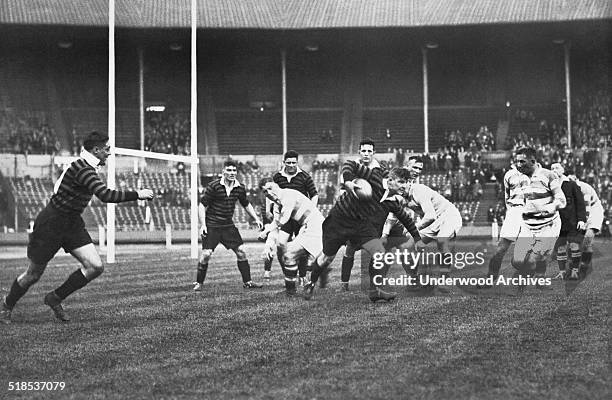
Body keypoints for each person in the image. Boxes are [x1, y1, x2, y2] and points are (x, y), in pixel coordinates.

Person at [1, 131, 154, 324]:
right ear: (96, 150)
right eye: (107, 149)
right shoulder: (83, 169)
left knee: (95, 267)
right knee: (33, 275)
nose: (109, 153)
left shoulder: (86, 166)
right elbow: (105, 195)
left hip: (71, 222)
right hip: (51, 224)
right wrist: (138, 194)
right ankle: (7, 305)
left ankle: (55, 298)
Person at [303, 138, 423, 302]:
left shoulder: (393, 200)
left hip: (360, 225)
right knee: (327, 258)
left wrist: (417, 239)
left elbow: (405, 218)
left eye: (406, 184)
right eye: (401, 183)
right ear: (391, 181)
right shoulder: (374, 176)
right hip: (339, 220)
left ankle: (374, 291)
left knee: (379, 253)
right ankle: (311, 282)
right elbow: (349, 165)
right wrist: (348, 182)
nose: (403, 187)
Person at [381, 180, 463, 293]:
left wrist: (414, 228)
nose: (400, 188)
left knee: (441, 240)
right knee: (407, 245)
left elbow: (430, 216)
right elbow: (392, 216)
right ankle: (417, 279)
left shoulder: (419, 189)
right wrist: (385, 234)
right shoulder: (401, 195)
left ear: (407, 182)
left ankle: (444, 279)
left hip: (447, 216)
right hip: (432, 222)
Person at [194, 160, 263, 291]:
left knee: (241, 251)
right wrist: (203, 225)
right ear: (223, 172)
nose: (232, 173)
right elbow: (202, 205)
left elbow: (246, 204)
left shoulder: (240, 187)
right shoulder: (214, 186)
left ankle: (248, 282)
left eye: (234, 171)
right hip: (212, 224)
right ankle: (199, 283)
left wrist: (256, 218)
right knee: (206, 254)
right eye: (229, 170)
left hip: (227, 225)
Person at [512, 147, 566, 291]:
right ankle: (524, 274)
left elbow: (561, 200)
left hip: (548, 225)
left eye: (522, 161)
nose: (518, 165)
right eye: (517, 162)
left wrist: (551, 207)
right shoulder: (520, 178)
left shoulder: (548, 175)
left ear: (533, 161)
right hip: (528, 225)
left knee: (532, 261)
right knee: (516, 261)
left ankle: (533, 279)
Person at [259, 180, 325, 296]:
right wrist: (265, 232)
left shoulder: (288, 195)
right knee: (291, 255)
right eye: (265, 191)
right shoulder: (276, 204)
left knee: (292, 255)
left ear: (277, 185)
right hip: (306, 227)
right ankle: (292, 290)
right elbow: (276, 221)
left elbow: (283, 220)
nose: (268, 192)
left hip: (315, 226)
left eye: (270, 188)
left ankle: (294, 288)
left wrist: (266, 231)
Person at [266, 150, 319, 282]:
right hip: (285, 218)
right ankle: (288, 275)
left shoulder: (305, 177)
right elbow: (270, 193)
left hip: (299, 218)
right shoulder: (277, 177)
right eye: (288, 162)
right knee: (280, 245)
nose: (291, 165)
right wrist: (269, 209)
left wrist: (311, 211)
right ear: (284, 163)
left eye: (293, 163)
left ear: (297, 162)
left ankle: (302, 276)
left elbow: (314, 195)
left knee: (300, 248)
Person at [478, 162, 530, 288]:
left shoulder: (534, 175)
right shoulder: (510, 175)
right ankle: (490, 279)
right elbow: (506, 195)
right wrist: (511, 211)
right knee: (501, 248)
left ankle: (523, 278)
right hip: (514, 212)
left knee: (523, 254)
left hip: (529, 214)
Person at [550, 163, 586, 280]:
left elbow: (580, 203)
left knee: (574, 245)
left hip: (572, 221)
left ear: (563, 170)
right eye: (552, 168)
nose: (554, 170)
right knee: (560, 247)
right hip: (558, 222)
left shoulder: (571, 184)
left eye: (557, 168)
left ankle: (575, 271)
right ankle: (562, 272)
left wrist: (581, 219)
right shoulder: (550, 187)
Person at [568, 173, 604, 277]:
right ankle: (573, 266)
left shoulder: (584, 188)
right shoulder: (568, 188)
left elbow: (586, 208)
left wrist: (583, 223)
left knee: (587, 239)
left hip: (594, 210)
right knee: (574, 241)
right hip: (580, 212)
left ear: (577, 179)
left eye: (572, 180)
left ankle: (584, 266)